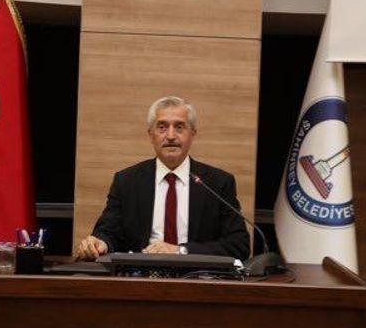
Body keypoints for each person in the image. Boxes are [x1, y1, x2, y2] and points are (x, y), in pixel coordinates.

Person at [75, 96, 250, 260]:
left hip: (197, 276)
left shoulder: (217, 183)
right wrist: (100, 243)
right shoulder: (127, 181)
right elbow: (108, 232)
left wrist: (180, 251)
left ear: (192, 134)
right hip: (140, 276)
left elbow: (239, 245)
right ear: (151, 135)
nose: (171, 136)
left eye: (179, 127)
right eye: (162, 127)